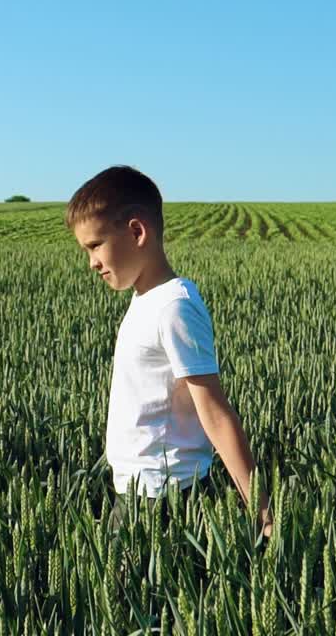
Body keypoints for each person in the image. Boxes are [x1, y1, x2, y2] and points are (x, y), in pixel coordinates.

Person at [66, 165, 272, 536]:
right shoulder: (146, 300)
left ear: (136, 231)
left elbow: (216, 413)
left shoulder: (174, 306)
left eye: (95, 245)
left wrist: (262, 514)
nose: (91, 262)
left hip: (161, 496)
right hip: (135, 489)